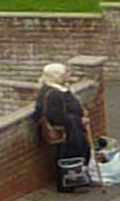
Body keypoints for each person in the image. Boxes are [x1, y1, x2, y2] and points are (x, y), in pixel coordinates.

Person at [36, 63, 92, 193]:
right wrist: (79, 120)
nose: (68, 76)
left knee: (82, 151)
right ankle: (68, 185)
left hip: (73, 129)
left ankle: (79, 180)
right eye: (65, 74)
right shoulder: (53, 94)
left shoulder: (61, 89)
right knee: (68, 157)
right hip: (66, 132)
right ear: (56, 76)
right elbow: (55, 116)